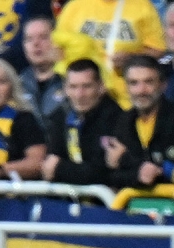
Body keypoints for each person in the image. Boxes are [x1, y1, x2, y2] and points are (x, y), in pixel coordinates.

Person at [53, 0, 165, 109]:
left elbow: (157, 49)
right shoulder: (74, 6)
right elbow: (57, 48)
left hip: (124, 98)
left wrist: (131, 58)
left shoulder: (143, 6)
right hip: (83, 93)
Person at [43, 57, 122, 185]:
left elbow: (102, 173)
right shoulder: (60, 116)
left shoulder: (116, 119)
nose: (79, 95)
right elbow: (50, 164)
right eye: (73, 87)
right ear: (65, 89)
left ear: (101, 87)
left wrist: (60, 168)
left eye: (86, 86)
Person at [106, 54, 174, 189]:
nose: (141, 90)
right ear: (126, 87)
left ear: (163, 85)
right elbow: (111, 176)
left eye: (148, 82)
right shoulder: (122, 122)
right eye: (134, 83)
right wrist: (139, 175)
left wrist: (125, 159)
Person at [18, 13, 67, 123]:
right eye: (29, 39)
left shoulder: (71, 81)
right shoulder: (17, 85)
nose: (36, 43)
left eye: (43, 37)